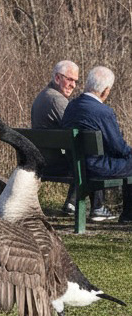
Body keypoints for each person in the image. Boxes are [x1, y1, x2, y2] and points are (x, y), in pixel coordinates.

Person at [31, 61, 108, 219]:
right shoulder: (57, 100)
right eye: (70, 79)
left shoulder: (43, 96)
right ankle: (98, 208)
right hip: (54, 164)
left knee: (80, 155)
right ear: (57, 78)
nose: (73, 85)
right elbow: (80, 129)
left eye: (76, 81)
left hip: (44, 161)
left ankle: (72, 203)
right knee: (92, 156)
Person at [62, 66, 131, 224]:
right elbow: (118, 148)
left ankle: (112, 212)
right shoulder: (103, 112)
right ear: (106, 90)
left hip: (73, 165)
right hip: (94, 168)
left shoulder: (71, 106)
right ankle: (128, 215)